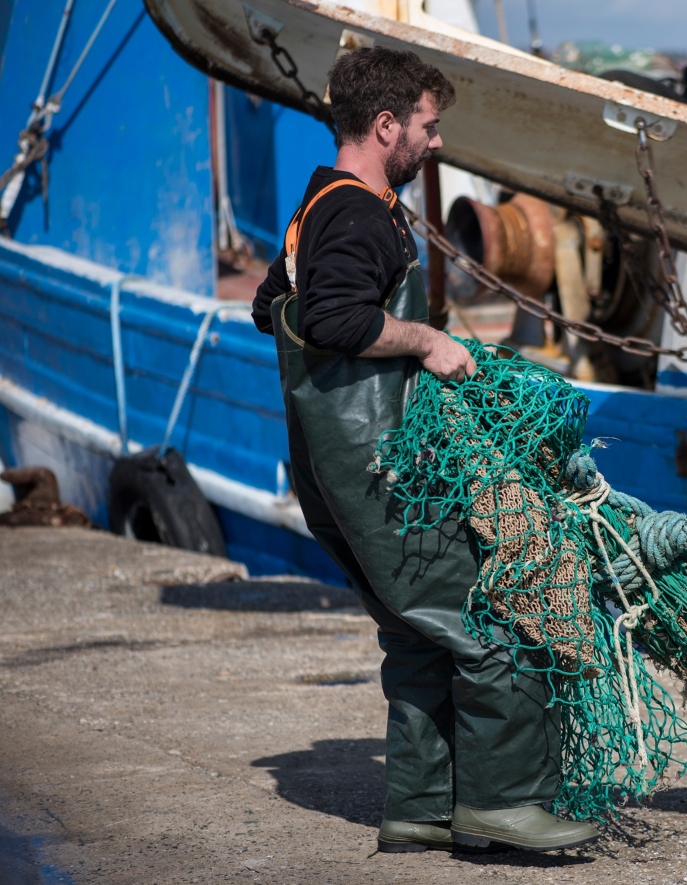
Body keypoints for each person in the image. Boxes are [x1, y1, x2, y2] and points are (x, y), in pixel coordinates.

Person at [251, 46, 598, 855]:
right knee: (495, 614)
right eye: (427, 127)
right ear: (385, 126)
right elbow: (333, 319)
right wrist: (424, 342)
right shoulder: (363, 214)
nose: (435, 144)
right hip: (382, 471)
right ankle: (502, 804)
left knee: (418, 632)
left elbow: (273, 306)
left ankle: (420, 806)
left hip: (329, 472)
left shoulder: (318, 203)